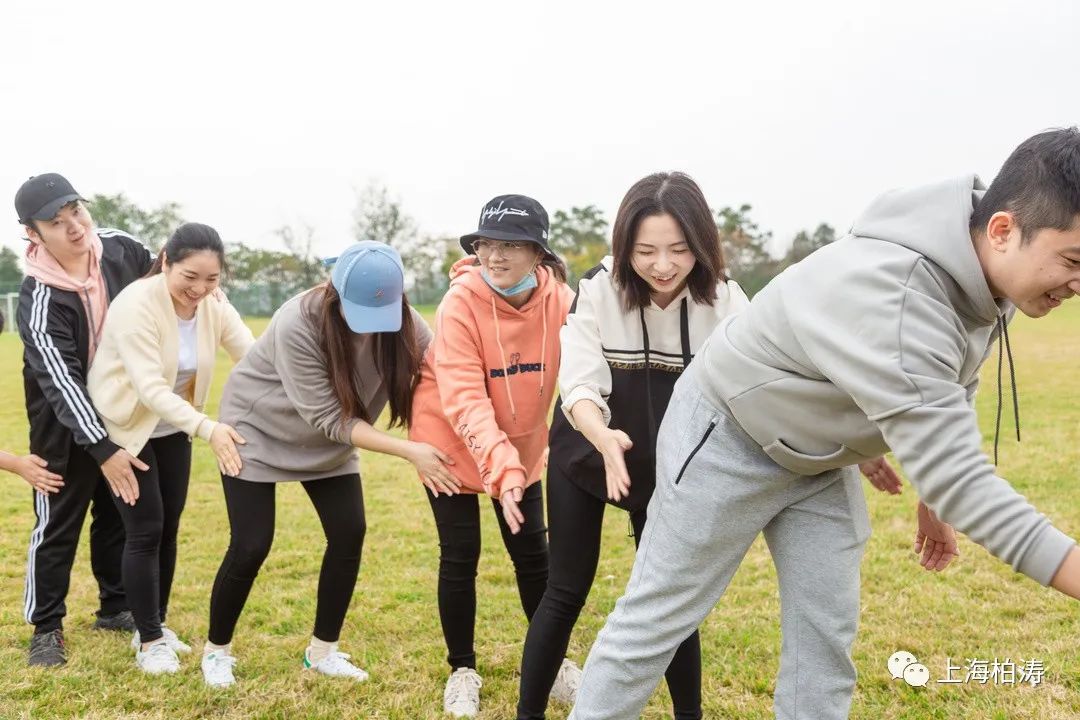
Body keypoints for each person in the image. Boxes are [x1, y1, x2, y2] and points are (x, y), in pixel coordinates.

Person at [568, 128, 1080, 720]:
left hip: (819, 458)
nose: (1077, 281)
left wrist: (931, 502)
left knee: (825, 638)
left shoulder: (985, 277)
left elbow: (955, 377)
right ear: (1003, 230)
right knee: (655, 622)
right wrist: (948, 492)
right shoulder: (902, 293)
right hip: (727, 435)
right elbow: (969, 484)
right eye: (1071, 260)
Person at [516, 173, 748, 720]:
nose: (662, 266)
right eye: (645, 251)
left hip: (672, 466)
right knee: (565, 591)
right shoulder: (597, 291)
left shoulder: (728, 301)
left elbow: (761, 382)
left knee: (666, 603)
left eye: (679, 249)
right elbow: (577, 384)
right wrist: (602, 437)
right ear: (625, 247)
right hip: (588, 450)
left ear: (702, 245)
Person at [202, 241, 450, 689]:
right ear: (335, 292)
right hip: (258, 431)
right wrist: (409, 451)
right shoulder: (297, 319)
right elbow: (327, 417)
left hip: (330, 439)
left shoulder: (408, 322)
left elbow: (443, 376)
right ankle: (216, 651)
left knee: (349, 531)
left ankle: (322, 652)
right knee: (252, 544)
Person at [408, 194, 575, 718]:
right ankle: (462, 669)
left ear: (539, 254)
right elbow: (463, 396)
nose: (495, 256)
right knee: (460, 556)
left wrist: (518, 465)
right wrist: (500, 468)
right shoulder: (460, 302)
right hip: (451, 442)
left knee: (533, 557)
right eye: (487, 244)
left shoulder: (562, 302)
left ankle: (553, 664)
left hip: (522, 448)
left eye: (510, 245)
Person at [86, 222, 255, 674]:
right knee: (144, 528)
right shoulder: (137, 304)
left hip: (174, 427)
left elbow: (252, 356)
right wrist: (208, 427)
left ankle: (154, 624)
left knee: (168, 528)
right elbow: (149, 388)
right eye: (190, 277)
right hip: (127, 427)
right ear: (166, 261)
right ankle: (149, 641)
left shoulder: (213, 304)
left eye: (212, 279)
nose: (199, 289)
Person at [16, 173, 152, 667]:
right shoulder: (38, 298)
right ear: (33, 234)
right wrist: (102, 448)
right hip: (61, 425)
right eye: (56, 221)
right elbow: (61, 382)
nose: (74, 225)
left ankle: (115, 606)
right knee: (57, 523)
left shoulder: (122, 250)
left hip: (122, 409)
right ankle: (46, 627)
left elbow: (166, 278)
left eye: (76, 210)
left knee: (117, 513)